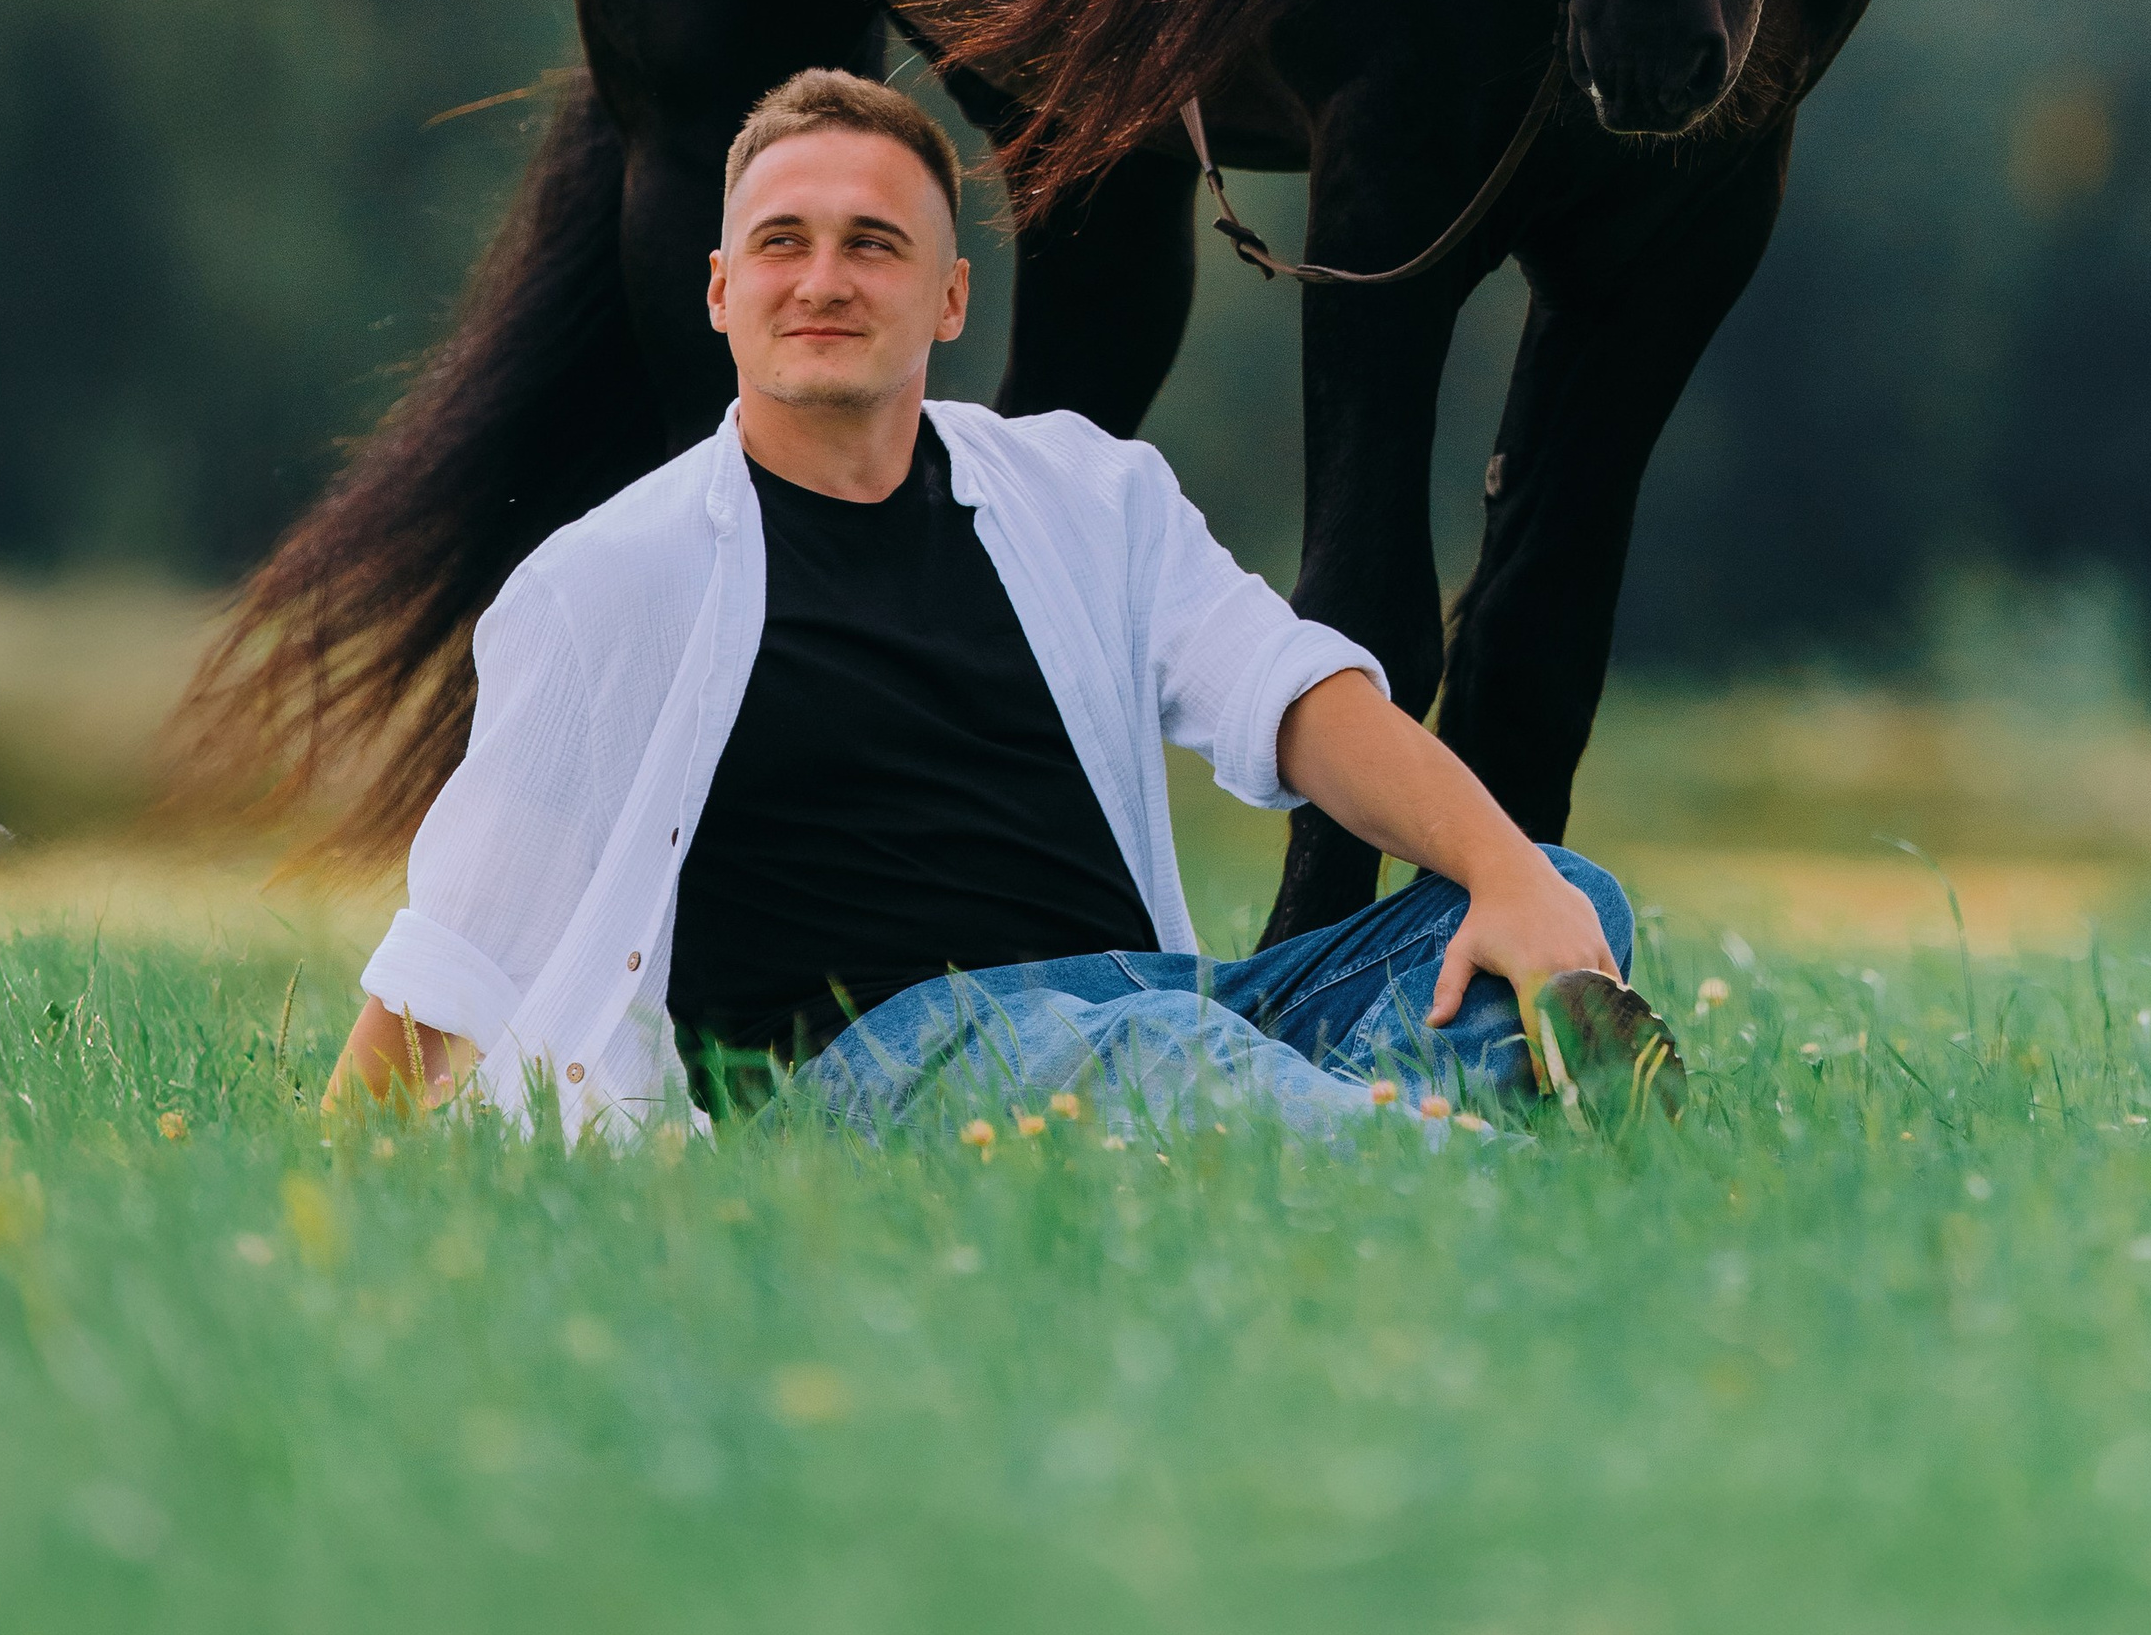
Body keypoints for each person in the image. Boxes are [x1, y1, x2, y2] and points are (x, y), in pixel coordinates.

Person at [326, 71, 1680, 1143]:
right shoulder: (606, 580)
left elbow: (1294, 692)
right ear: (721, 289)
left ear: (950, 296)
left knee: (1565, 901)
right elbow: (459, 935)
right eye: (782, 242)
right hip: (863, 1065)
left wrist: (1507, 872)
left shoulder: (1089, 492)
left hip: (1145, 1002)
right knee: (1169, 1064)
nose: (824, 277)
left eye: (875, 242)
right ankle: (1493, 1171)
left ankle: (1342, 1132)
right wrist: (340, 1159)